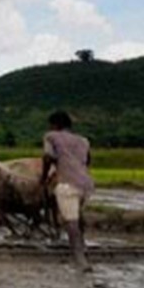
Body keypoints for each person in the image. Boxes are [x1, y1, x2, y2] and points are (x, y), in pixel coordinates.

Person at [41, 110, 94, 271]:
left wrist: (43, 177)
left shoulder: (51, 136)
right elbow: (88, 160)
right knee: (78, 216)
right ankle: (82, 247)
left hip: (67, 184)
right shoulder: (84, 140)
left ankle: (80, 259)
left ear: (55, 125)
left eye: (51, 124)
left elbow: (48, 157)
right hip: (86, 184)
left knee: (70, 222)